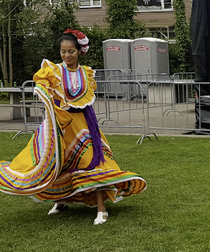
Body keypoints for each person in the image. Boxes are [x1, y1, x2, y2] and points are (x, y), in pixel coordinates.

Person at [0, 29, 147, 225]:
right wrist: (43, 92)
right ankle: (61, 200)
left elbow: (85, 100)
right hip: (60, 124)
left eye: (71, 51)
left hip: (84, 125)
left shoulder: (86, 73)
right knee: (58, 163)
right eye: (63, 51)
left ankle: (101, 208)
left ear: (80, 51)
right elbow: (42, 85)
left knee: (93, 163)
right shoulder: (53, 71)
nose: (67, 55)